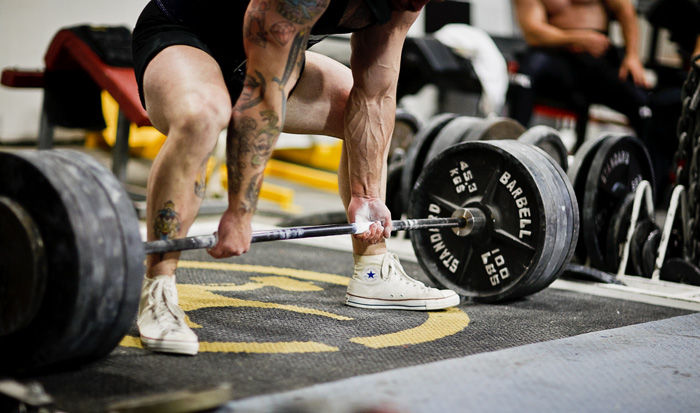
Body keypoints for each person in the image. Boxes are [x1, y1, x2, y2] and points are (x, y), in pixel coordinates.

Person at [131, 0, 460, 356]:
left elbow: (375, 93)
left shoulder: (406, 1)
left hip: (265, 56)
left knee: (356, 103)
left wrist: (366, 197)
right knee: (203, 117)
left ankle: (372, 269)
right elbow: (262, 97)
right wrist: (240, 212)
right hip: (186, 38)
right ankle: (158, 286)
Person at [509, 0, 652, 143]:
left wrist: (632, 56)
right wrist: (577, 39)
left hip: (598, 61)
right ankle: (512, 149)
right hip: (555, 56)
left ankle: (650, 162)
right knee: (524, 76)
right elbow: (533, 32)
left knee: (646, 106)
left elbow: (625, 10)